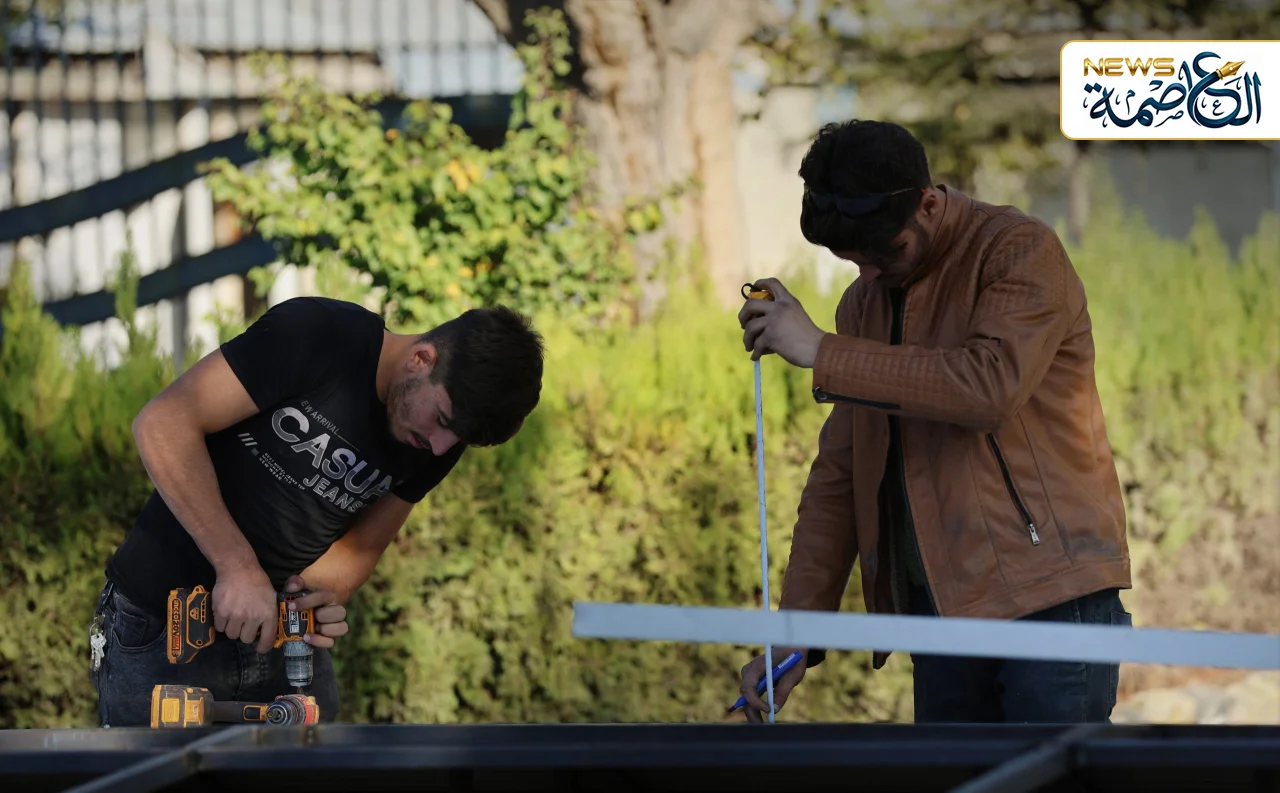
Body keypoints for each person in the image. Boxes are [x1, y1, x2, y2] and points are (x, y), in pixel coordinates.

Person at [735, 119, 1133, 724]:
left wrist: (822, 350)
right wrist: (795, 633)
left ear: (927, 203)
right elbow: (841, 476)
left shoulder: (1019, 250)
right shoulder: (863, 302)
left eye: (887, 252)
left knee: (1050, 771)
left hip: (1052, 597)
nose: (871, 275)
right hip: (941, 611)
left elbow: (988, 387)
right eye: (853, 261)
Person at [89, 296, 544, 727]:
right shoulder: (320, 334)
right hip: (166, 630)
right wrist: (237, 567)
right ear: (421, 359)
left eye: (457, 439)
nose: (441, 447)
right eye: (442, 421)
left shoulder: (438, 437)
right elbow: (164, 424)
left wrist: (317, 601)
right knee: (158, 773)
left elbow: (360, 548)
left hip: (286, 646)